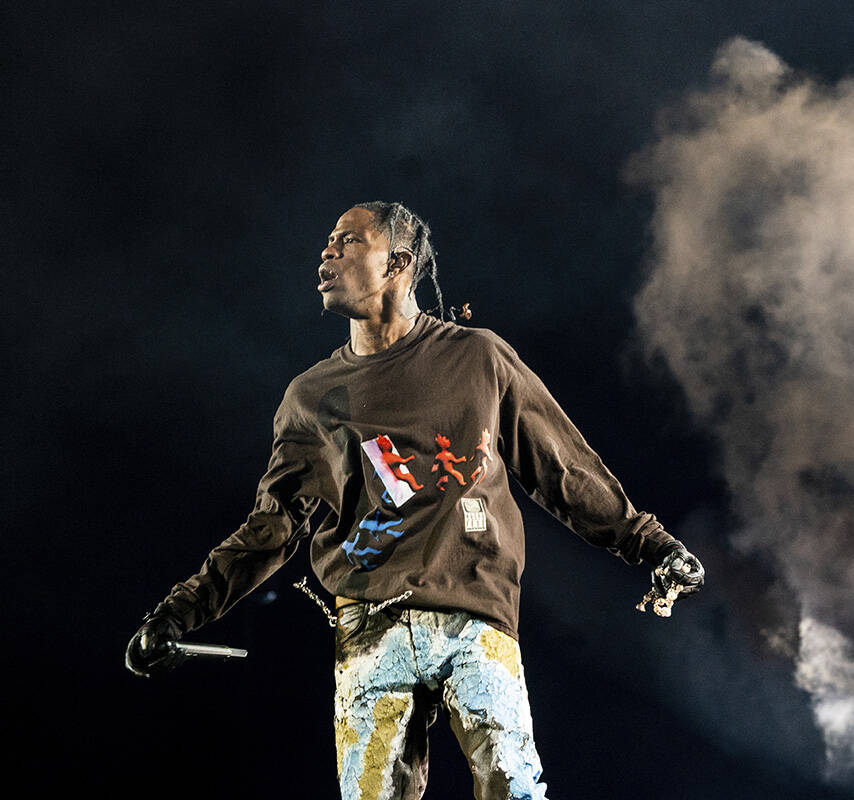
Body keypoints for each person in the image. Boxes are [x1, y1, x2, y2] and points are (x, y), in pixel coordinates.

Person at [125, 201, 705, 800]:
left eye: (346, 242)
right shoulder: (310, 398)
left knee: (514, 789)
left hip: (473, 618)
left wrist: (650, 543)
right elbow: (270, 529)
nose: (326, 252)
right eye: (328, 242)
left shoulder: (478, 357)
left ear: (397, 262)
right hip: (369, 629)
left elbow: (561, 467)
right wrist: (177, 613)